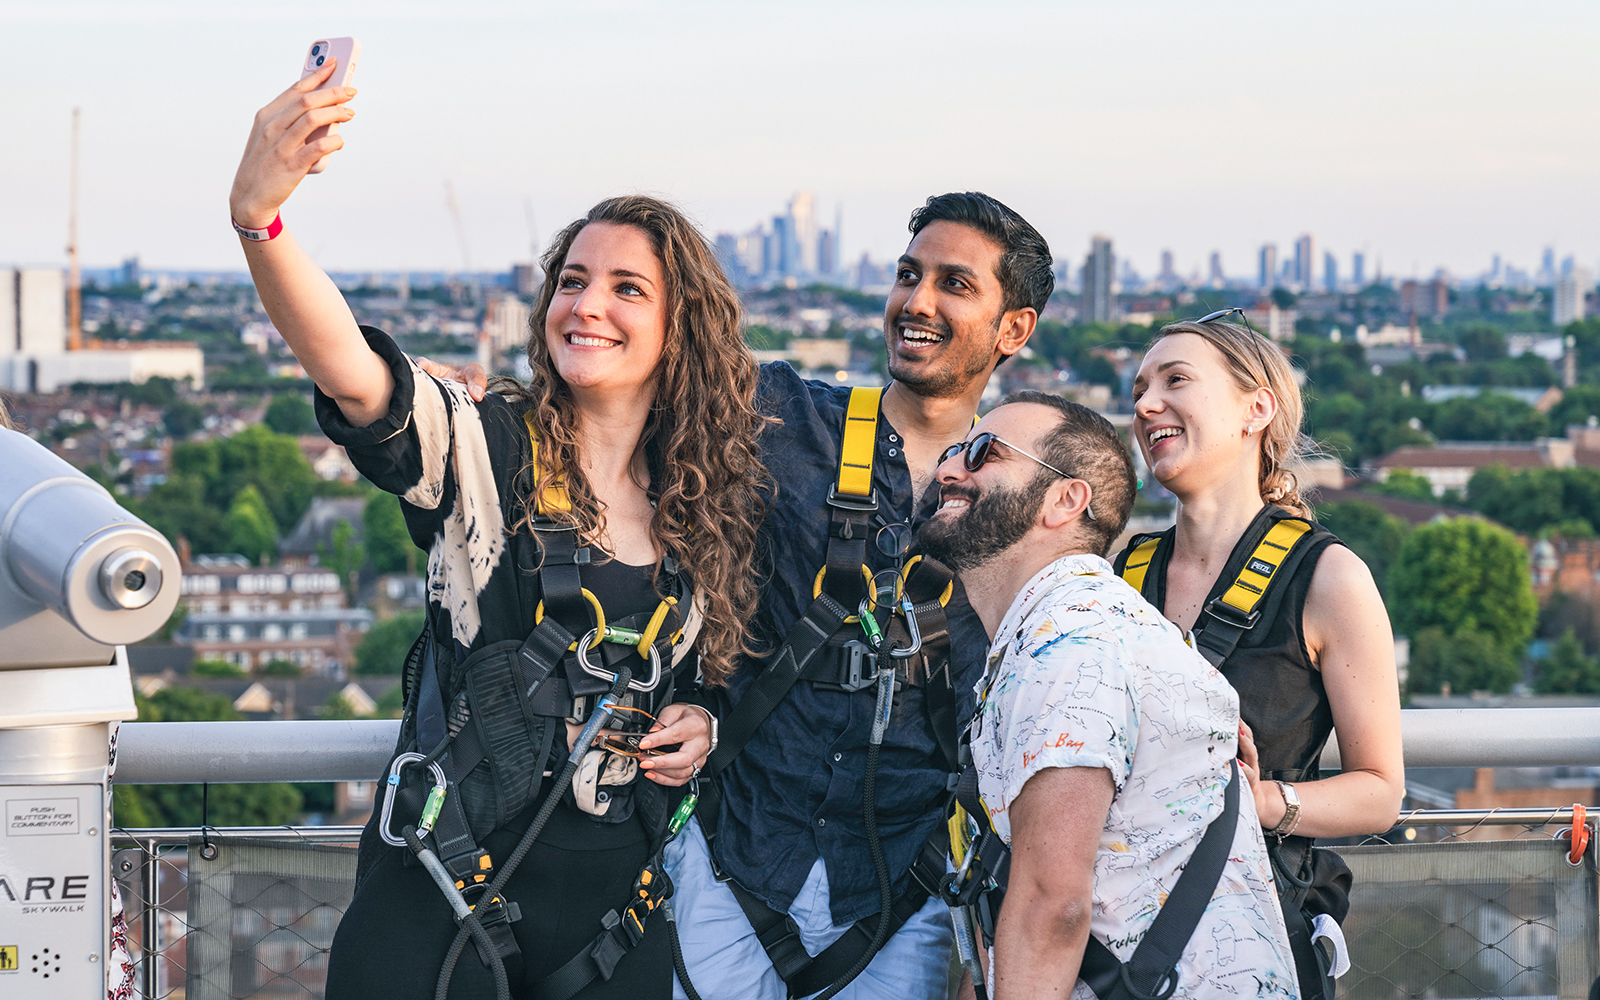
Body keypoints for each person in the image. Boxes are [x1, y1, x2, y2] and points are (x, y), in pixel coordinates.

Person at [428, 191, 1053, 999]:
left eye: (955, 284)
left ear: (1015, 329)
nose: (918, 301)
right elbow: (619, 388)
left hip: (899, 892)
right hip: (734, 862)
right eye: (909, 274)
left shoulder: (1029, 499)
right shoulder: (780, 417)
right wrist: (480, 405)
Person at [228, 63, 765, 999]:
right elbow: (356, 375)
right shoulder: (488, 448)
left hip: (617, 916)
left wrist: (699, 724)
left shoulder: (703, 502)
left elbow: (699, 679)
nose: (586, 304)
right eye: (572, 279)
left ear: (682, 329)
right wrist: (259, 222)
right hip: (441, 902)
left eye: (627, 288)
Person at [925, 392, 1300, 1000]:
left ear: (1064, 500)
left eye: (981, 453)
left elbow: (1053, 906)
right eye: (951, 451)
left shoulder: (1070, 642)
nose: (948, 468)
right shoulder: (1066, 629)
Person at [1117, 315, 1405, 999]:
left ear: (1257, 408)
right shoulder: (1122, 570)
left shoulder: (1329, 579)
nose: (1144, 404)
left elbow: (1380, 791)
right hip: (1117, 940)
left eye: (1174, 380)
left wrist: (1265, 800)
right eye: (1138, 389)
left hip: (1248, 940)